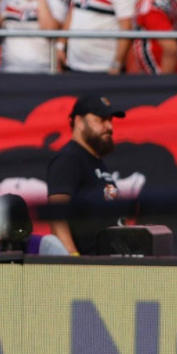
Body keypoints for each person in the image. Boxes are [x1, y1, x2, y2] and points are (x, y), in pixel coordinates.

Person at [47, 95, 126, 255]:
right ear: (79, 122)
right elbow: (56, 213)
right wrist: (72, 257)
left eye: (110, 120)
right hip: (88, 266)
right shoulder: (69, 158)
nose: (109, 126)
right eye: (101, 119)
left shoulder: (94, 160)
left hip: (109, 264)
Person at [55, 0, 138, 74]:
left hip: (103, 69)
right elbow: (73, 12)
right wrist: (60, 45)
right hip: (73, 65)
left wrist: (117, 63)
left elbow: (127, 28)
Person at [0, 194, 68, 255]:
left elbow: (69, 276)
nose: (11, 231)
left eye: (16, 224)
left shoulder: (46, 245)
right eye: (5, 225)